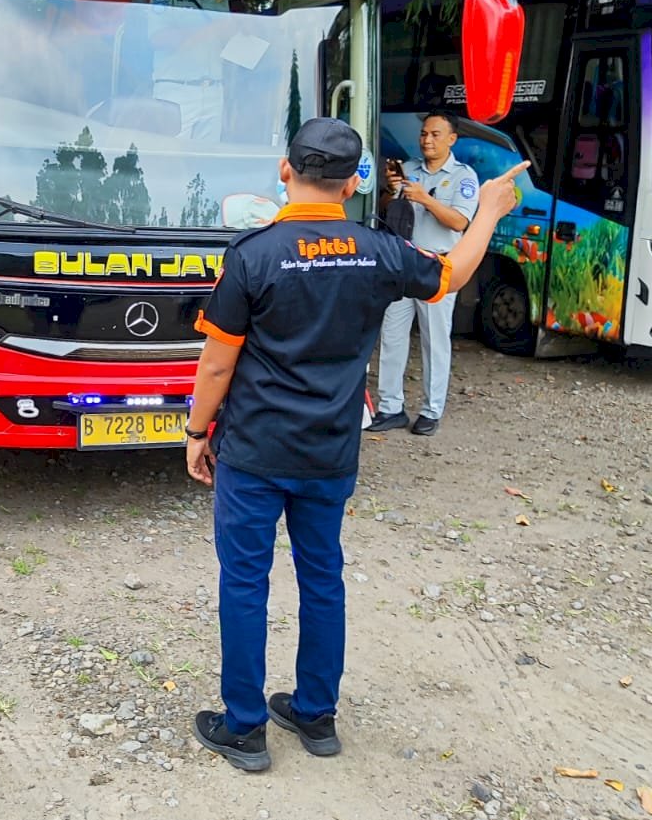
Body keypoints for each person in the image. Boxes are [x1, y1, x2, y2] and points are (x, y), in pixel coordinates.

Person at [183, 118, 524, 771]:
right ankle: (316, 715)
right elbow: (452, 274)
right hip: (330, 450)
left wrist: (197, 433)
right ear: (350, 185)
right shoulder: (379, 251)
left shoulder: (252, 254)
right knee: (322, 577)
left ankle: (245, 728)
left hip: (254, 451)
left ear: (286, 172)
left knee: (245, 582)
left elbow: (217, 364)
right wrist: (487, 211)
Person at [369, 111, 481, 436]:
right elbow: (387, 208)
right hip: (403, 263)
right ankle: (390, 408)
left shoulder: (464, 177)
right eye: (423, 134)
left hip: (437, 266)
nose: (427, 140)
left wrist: (425, 199)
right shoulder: (410, 168)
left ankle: (432, 411)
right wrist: (391, 191)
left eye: (435, 134)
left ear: (452, 139)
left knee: (435, 341)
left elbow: (460, 222)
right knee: (392, 336)